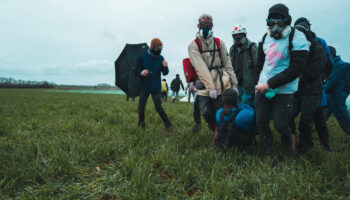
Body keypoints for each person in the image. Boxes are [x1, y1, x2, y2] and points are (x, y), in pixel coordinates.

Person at [255, 4, 309, 159]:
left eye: (280, 23)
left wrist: (270, 84)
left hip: (284, 89)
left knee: (280, 124)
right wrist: (258, 83)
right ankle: (271, 152)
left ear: (287, 21)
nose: (275, 27)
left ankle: (290, 148)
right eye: (272, 23)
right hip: (263, 87)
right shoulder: (264, 38)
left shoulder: (297, 38)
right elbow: (260, 64)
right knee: (260, 121)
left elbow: (296, 68)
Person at [188, 13, 238, 135]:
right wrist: (210, 87)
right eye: (203, 24)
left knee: (220, 111)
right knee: (206, 112)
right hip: (204, 85)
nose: (205, 27)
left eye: (208, 25)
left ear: (212, 26)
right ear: (198, 26)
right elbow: (201, 68)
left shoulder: (219, 42)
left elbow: (227, 64)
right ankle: (213, 127)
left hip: (221, 83)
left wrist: (235, 84)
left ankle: (219, 135)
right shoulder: (193, 45)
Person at [289, 21, 330, 153]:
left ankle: (305, 148)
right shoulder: (295, 47)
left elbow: (315, 70)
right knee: (288, 116)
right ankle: (293, 142)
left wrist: (296, 79)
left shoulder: (317, 49)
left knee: (307, 121)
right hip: (298, 90)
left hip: (312, 90)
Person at [135, 38, 173, 132]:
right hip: (144, 86)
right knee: (141, 107)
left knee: (158, 107)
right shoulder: (142, 57)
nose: (159, 50)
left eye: (161, 48)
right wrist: (141, 72)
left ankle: (168, 124)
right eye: (157, 48)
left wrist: (165, 66)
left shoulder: (161, 58)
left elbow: (165, 73)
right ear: (151, 47)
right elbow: (136, 71)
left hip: (156, 87)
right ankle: (141, 126)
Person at [229, 24, 259, 107]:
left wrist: (256, 84)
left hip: (249, 86)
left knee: (247, 106)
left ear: (244, 35)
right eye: (235, 35)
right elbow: (230, 67)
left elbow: (258, 67)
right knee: (238, 106)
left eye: (239, 35)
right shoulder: (232, 49)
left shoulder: (252, 47)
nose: (237, 37)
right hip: (237, 85)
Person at [324, 46, 350, 135]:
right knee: (320, 118)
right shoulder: (334, 65)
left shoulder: (341, 65)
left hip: (336, 97)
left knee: (343, 118)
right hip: (331, 97)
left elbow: (330, 84)